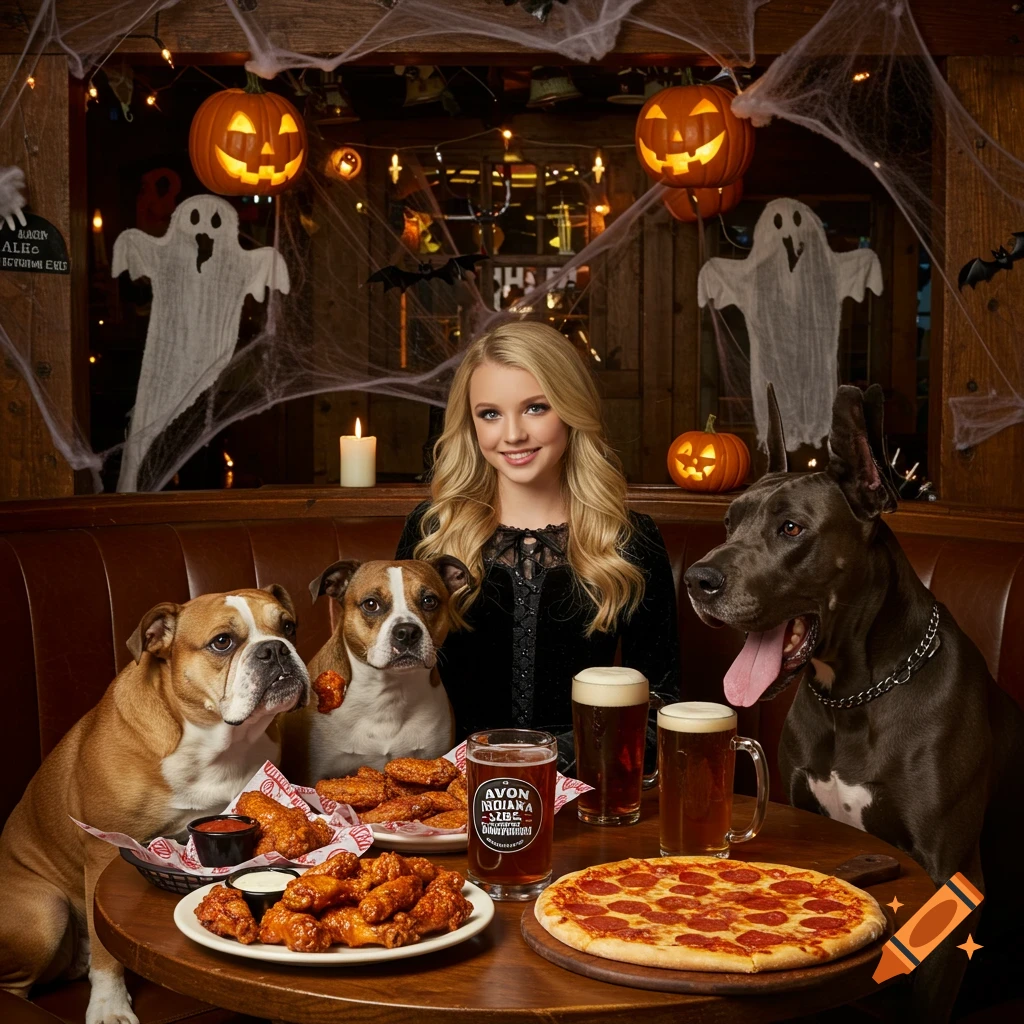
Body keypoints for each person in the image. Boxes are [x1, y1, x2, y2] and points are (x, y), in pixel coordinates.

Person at [396, 320, 680, 766]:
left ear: (570, 409)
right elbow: (395, 684)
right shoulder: (432, 530)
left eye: (535, 408)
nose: (512, 435)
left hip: (586, 788)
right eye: (489, 414)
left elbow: (662, 703)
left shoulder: (629, 539)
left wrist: (551, 760)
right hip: (450, 793)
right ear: (470, 425)